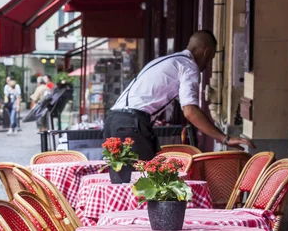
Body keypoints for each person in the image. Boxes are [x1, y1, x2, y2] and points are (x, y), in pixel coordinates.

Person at [105, 30, 254, 160]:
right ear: (206, 52)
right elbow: (190, 111)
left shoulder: (168, 61)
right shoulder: (189, 67)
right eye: (210, 59)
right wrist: (224, 138)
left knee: (124, 180)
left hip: (113, 121)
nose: (208, 65)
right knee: (146, 182)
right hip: (132, 125)